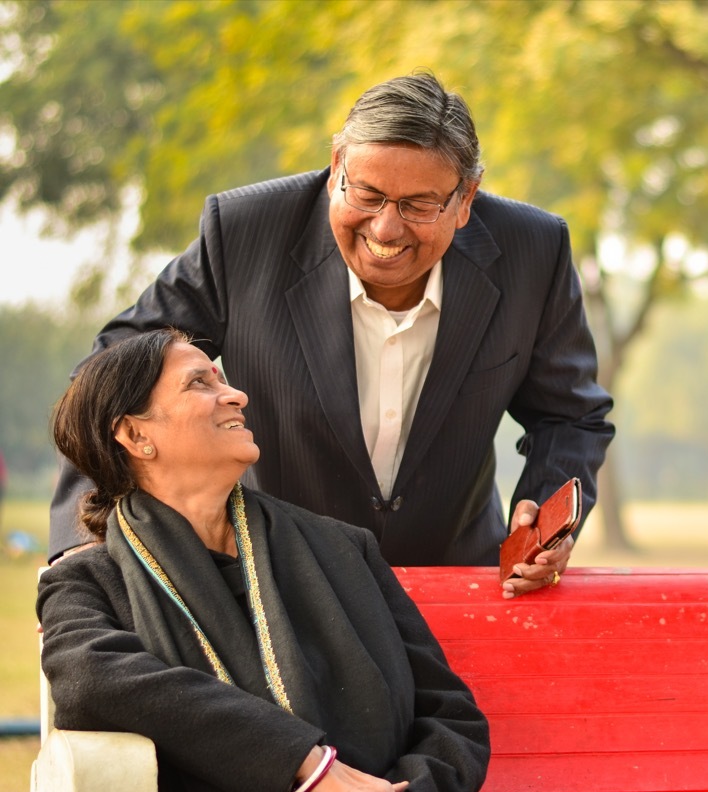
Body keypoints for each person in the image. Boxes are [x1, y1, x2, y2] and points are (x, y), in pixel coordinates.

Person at [49, 71, 614, 597]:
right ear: (337, 164)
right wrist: (80, 552)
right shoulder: (245, 233)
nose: (385, 228)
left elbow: (570, 415)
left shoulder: (533, 252)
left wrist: (546, 517)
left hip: (457, 582)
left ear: (466, 199)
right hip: (281, 589)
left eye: (419, 205)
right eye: (366, 194)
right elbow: (104, 385)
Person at [38, 329, 489, 792]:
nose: (236, 394)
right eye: (200, 383)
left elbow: (450, 714)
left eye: (223, 379)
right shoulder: (87, 581)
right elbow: (90, 680)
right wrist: (306, 763)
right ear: (135, 434)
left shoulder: (345, 548)